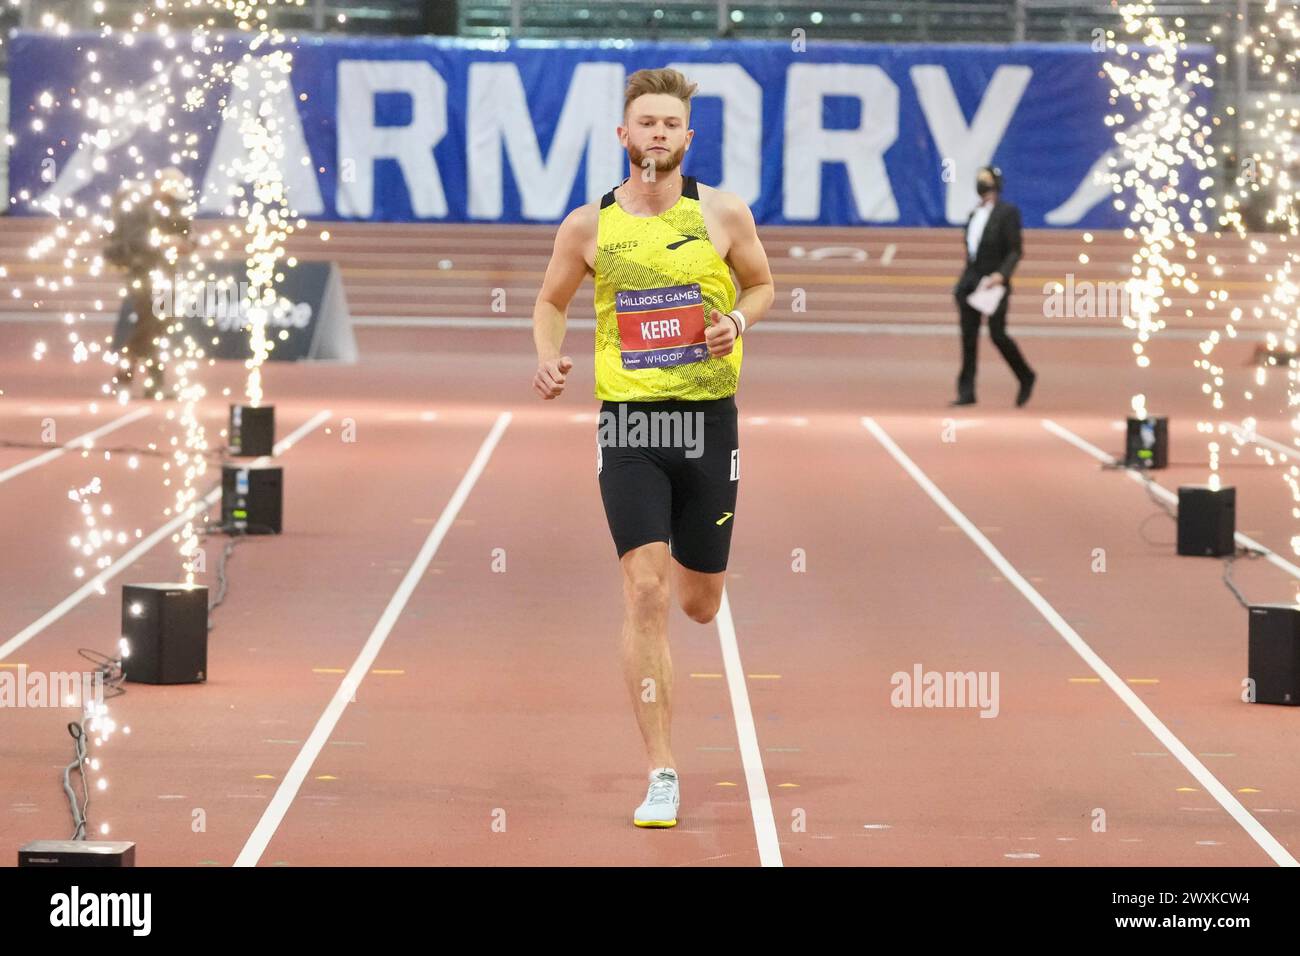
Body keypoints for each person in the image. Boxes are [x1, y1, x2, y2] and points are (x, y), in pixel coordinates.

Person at [531, 67, 774, 828]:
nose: (659, 134)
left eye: (672, 123)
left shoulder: (724, 214)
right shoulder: (588, 226)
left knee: (699, 605)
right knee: (644, 591)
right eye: (647, 123)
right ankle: (662, 770)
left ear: (687, 137)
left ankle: (696, 569)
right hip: (631, 425)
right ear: (624, 136)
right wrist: (548, 353)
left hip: (707, 424)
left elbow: (763, 286)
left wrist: (737, 320)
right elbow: (550, 300)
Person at [104, 167, 193, 399]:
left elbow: (185, 235)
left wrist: (185, 242)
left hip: (166, 272)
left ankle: (152, 383)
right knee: (149, 326)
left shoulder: (172, 208)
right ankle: (129, 376)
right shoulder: (139, 208)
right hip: (142, 272)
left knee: (160, 327)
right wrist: (165, 242)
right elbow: (136, 240)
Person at [951, 165, 1036, 407]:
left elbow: (1015, 250)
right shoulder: (973, 215)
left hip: (994, 284)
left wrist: (1002, 274)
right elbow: (972, 254)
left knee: (997, 334)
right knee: (969, 337)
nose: (984, 187)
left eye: (987, 182)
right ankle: (966, 392)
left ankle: (1025, 375)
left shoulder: (1007, 213)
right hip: (971, 284)